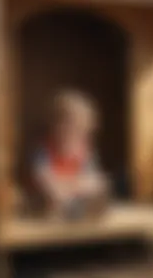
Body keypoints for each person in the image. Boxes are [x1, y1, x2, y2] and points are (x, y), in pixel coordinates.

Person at [31, 90, 109, 221]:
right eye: (67, 127)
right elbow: (43, 177)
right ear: (54, 126)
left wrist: (80, 184)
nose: (72, 135)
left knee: (99, 186)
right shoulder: (45, 151)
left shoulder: (84, 151)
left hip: (76, 193)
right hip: (54, 195)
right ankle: (69, 211)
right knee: (52, 192)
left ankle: (80, 211)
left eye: (79, 131)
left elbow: (92, 177)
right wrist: (64, 185)